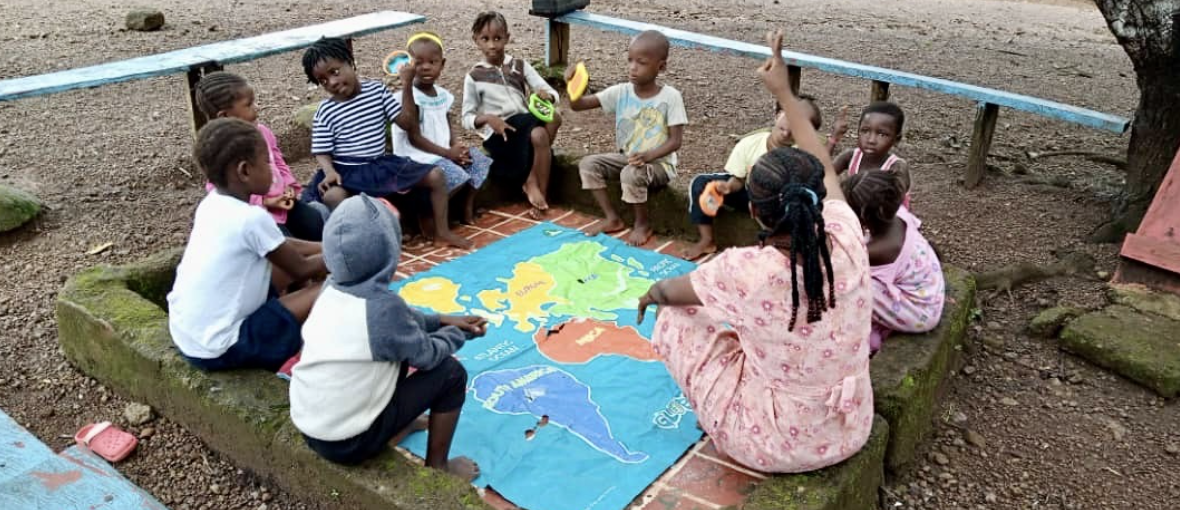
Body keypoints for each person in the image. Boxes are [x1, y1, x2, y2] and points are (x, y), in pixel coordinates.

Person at [635, 31, 873, 473]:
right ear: (818, 199)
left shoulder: (747, 269)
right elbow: (822, 160)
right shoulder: (847, 235)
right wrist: (784, 92)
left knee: (678, 319)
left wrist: (650, 294)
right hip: (850, 427)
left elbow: (671, 293)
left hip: (773, 443)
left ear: (758, 215)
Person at [289, 194, 486, 481]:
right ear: (389, 252)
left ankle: (396, 424)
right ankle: (439, 470)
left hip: (312, 427)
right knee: (450, 373)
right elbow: (428, 355)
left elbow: (399, 320)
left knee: (394, 352)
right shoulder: (382, 310)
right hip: (348, 443)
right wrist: (457, 334)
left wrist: (441, 319)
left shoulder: (331, 287)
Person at [167, 118, 326, 372]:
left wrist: (325, 246)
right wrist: (345, 252)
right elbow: (302, 269)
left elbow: (280, 244)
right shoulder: (251, 218)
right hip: (221, 348)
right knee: (331, 288)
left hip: (189, 335)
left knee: (284, 266)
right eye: (265, 162)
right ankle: (319, 353)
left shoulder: (212, 203)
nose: (271, 169)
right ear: (244, 170)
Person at [301, 37, 472, 249]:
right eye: (323, 81)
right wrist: (328, 171)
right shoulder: (326, 111)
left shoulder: (377, 91)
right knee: (333, 196)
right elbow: (321, 150)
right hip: (347, 170)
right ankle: (366, 246)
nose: (332, 82)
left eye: (335, 72)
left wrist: (407, 84)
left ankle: (442, 233)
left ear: (350, 62)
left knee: (436, 176)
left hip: (379, 165)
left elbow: (407, 123)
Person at [683, 98, 848, 260]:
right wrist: (727, 187)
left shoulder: (801, 154)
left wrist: (833, 138)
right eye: (784, 125)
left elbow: (821, 164)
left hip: (780, 202)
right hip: (748, 193)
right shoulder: (750, 143)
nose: (786, 133)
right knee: (702, 184)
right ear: (778, 115)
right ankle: (706, 239)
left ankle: (779, 246)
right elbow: (738, 180)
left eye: (795, 130)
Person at [567, 30, 687, 246]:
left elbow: (675, 141)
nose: (633, 67)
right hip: (630, 159)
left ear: (661, 67)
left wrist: (648, 155)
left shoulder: (671, 97)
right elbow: (578, 106)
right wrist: (574, 85)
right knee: (588, 164)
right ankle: (612, 218)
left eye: (641, 62)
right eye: (630, 60)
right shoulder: (621, 92)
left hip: (659, 165)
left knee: (631, 174)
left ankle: (642, 224)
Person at [194, 71, 325, 241]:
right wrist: (265, 202)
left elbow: (278, 161)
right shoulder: (222, 151)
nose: (256, 108)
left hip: (285, 204)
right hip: (260, 214)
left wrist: (289, 186)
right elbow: (218, 191)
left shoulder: (262, 132)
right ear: (225, 115)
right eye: (248, 105)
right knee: (284, 247)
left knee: (317, 224)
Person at [461, 11, 562, 219]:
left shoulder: (520, 66)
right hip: (500, 135)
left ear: (507, 37)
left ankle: (535, 187)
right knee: (546, 126)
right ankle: (533, 186)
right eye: (485, 39)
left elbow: (552, 94)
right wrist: (489, 119)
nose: (492, 45)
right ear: (476, 41)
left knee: (542, 132)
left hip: (525, 125)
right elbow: (466, 118)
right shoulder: (474, 76)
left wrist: (547, 97)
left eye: (497, 38)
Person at [390, 32, 493, 226]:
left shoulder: (444, 96)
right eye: (418, 63)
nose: (426, 67)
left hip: (442, 152)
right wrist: (447, 153)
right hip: (416, 156)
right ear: (408, 66)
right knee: (456, 175)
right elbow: (414, 138)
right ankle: (427, 214)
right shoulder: (408, 96)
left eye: (432, 62)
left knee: (479, 161)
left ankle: (466, 206)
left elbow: (448, 126)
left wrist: (457, 147)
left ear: (442, 64)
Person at [843, 169, 944, 351]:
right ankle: (880, 324)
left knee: (845, 285)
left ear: (864, 217)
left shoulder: (880, 249)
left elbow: (838, 258)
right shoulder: (898, 214)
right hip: (929, 292)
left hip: (920, 313)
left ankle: (864, 332)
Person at [833, 102, 912, 209]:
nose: (871, 140)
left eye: (882, 134)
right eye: (865, 131)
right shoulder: (851, 156)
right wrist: (834, 137)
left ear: (896, 139)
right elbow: (821, 172)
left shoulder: (896, 167)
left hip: (884, 219)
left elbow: (893, 208)